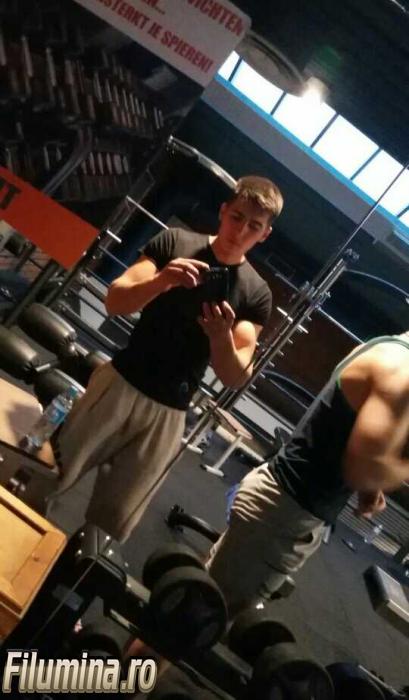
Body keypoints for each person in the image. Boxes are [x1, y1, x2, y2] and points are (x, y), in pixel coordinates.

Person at [51, 175, 284, 542]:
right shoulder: (175, 242)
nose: (240, 231)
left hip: (168, 414)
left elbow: (236, 376)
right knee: (48, 475)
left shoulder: (256, 293)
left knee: (112, 526)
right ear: (223, 210)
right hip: (119, 382)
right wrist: (162, 281)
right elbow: (115, 301)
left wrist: (220, 336)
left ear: (265, 234)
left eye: (254, 226)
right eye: (237, 217)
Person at [206, 332, 409, 618]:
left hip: (282, 504)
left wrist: (370, 490)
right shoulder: (401, 370)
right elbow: (365, 466)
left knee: (200, 602)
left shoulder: (388, 349)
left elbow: (349, 433)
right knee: (199, 620)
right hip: (284, 515)